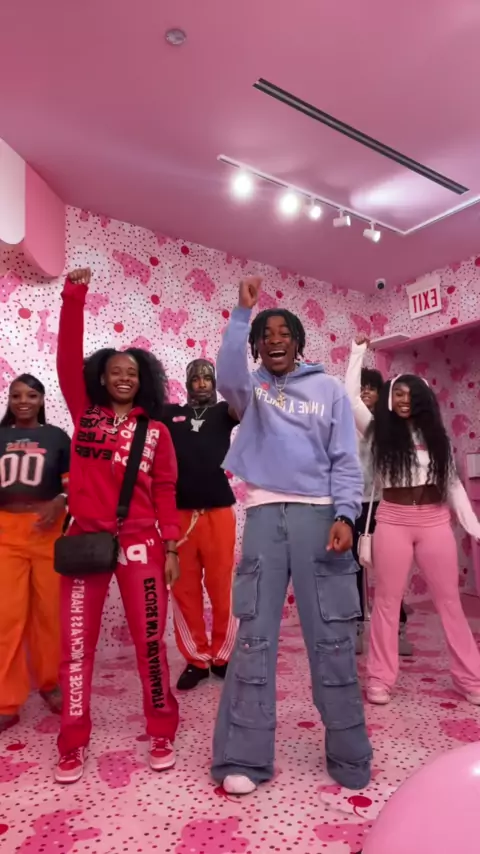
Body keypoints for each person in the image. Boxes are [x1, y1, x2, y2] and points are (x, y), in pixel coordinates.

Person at [211, 277, 372, 796]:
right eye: (266, 335)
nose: (275, 339)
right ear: (257, 346)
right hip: (263, 517)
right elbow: (228, 374)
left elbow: (345, 459)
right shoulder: (252, 389)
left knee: (332, 638)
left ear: (298, 342)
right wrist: (242, 314)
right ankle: (243, 757)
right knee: (254, 637)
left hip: (321, 519)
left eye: (284, 333)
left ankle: (349, 753)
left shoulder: (328, 391)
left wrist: (346, 516)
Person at [54, 267, 180, 784]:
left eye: (132, 371)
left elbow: (167, 491)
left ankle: (161, 728)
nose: (124, 377)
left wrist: (171, 547)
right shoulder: (84, 414)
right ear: (102, 378)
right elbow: (66, 358)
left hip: (141, 544)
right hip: (85, 541)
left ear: (143, 379)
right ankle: (72, 740)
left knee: (150, 643)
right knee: (75, 648)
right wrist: (74, 297)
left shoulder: (158, 432)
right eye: (115, 371)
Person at [350, 339, 480, 706]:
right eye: (397, 394)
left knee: (449, 602)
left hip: (434, 522)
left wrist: (474, 528)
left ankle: (470, 678)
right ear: (389, 399)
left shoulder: (437, 438)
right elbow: (351, 399)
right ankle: (380, 678)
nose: (403, 399)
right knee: (387, 603)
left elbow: (452, 485)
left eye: (410, 394)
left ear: (422, 399)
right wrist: (357, 354)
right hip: (393, 520)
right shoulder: (378, 431)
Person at [0, 374, 70, 734]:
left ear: (42, 399)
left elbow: (74, 484)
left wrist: (60, 501)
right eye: (16, 395)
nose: (23, 401)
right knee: (6, 617)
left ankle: (49, 682)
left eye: (30, 395)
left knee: (49, 614)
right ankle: (6, 701)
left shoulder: (57, 437)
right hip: (5, 533)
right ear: (9, 400)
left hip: (47, 534)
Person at [162, 359, 238, 690]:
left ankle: (223, 656)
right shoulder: (170, 414)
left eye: (208, 377)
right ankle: (196, 658)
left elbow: (244, 400)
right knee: (184, 589)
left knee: (222, 587)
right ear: (187, 382)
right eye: (196, 378)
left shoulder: (224, 412)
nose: (202, 383)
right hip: (179, 515)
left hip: (218, 512)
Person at [345, 337, 412, 657]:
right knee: (353, 569)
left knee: (389, 569)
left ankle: (397, 628)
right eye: (362, 388)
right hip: (352, 504)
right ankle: (357, 626)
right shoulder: (346, 423)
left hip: (383, 504)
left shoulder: (386, 425)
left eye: (372, 388)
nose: (366, 392)